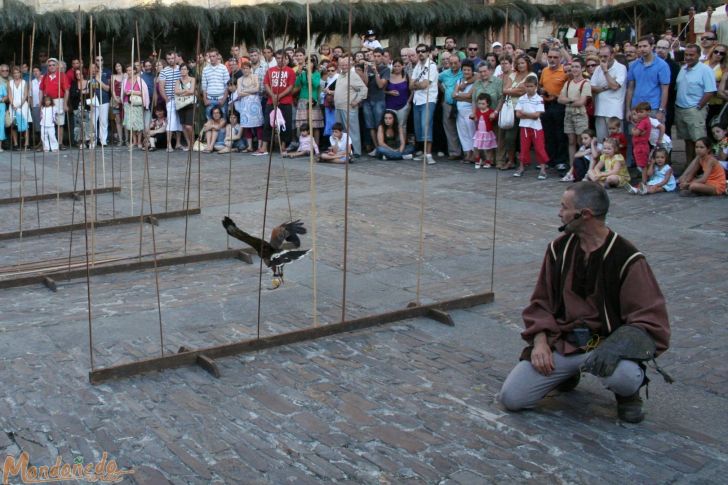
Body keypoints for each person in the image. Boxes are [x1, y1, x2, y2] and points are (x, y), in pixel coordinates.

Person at [499, 181, 670, 423]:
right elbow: (541, 302)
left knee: (624, 376)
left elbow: (650, 319)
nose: (559, 213)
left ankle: (628, 394)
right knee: (512, 398)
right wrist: (540, 343)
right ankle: (566, 375)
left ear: (585, 215)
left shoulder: (627, 258)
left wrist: (616, 347)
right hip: (564, 343)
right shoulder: (558, 248)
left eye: (564, 207)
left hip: (605, 346)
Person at [675, 44, 717, 163]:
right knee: (687, 141)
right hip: (680, 110)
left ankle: (702, 170)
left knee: (700, 143)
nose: (688, 57)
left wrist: (698, 106)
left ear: (698, 55)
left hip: (695, 110)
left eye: (691, 55)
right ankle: (688, 166)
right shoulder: (683, 68)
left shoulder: (705, 70)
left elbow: (710, 91)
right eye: (686, 54)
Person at [558, 58, 592, 177]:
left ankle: (581, 167)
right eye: (573, 67)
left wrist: (567, 101)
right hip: (569, 114)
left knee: (581, 141)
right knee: (571, 141)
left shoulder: (585, 83)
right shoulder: (568, 83)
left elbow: (582, 102)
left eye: (577, 67)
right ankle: (572, 168)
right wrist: (572, 100)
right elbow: (559, 99)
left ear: (582, 68)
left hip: (580, 115)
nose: (574, 69)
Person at [259, 51, 296, 155]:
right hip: (271, 101)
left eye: (283, 58)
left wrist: (279, 96)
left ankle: (283, 145)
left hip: (285, 101)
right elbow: (266, 84)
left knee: (284, 123)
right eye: (278, 58)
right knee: (268, 123)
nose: (281, 60)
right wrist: (273, 95)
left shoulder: (290, 71)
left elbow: (290, 86)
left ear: (286, 59)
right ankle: (265, 146)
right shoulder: (270, 70)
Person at [540, 48, 570, 172]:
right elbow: (541, 85)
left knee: (560, 134)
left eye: (555, 57)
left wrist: (556, 96)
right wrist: (542, 91)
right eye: (550, 57)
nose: (552, 59)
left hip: (559, 105)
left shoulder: (565, 71)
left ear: (560, 58)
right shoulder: (545, 71)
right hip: (546, 105)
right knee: (548, 134)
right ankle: (550, 159)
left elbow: (569, 90)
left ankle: (561, 160)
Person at [514, 77, 549, 179]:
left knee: (539, 148)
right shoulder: (522, 98)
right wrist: (530, 115)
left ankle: (543, 169)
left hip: (536, 127)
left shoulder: (539, 99)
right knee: (523, 148)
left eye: (531, 86)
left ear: (536, 87)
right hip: (524, 127)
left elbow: (536, 116)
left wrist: (524, 113)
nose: (529, 88)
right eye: (527, 86)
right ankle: (521, 167)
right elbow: (517, 115)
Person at [590, 45, 627, 142]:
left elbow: (615, 87)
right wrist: (607, 86)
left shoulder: (621, 68)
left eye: (605, 56)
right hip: (600, 110)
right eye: (600, 56)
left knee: (615, 143)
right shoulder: (598, 69)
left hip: (614, 111)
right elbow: (592, 88)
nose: (602, 59)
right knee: (601, 142)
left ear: (612, 55)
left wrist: (605, 71)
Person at [333, 56, 368, 158]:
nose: (344, 67)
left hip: (348, 107)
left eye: (346, 65)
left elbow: (364, 89)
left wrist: (357, 101)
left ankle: (356, 151)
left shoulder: (353, 75)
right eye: (342, 65)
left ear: (350, 65)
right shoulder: (340, 75)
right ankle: (344, 150)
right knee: (341, 131)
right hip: (339, 107)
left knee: (352, 130)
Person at [410, 44, 439, 164]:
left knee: (426, 125)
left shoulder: (432, 66)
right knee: (418, 128)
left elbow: (425, 84)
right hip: (417, 100)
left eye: (423, 51)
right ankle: (423, 152)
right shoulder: (417, 66)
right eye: (419, 51)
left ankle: (428, 154)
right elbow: (410, 85)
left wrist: (416, 84)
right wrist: (417, 84)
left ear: (428, 53)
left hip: (428, 99)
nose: (420, 53)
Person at [362, 48, 390, 156]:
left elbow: (380, 85)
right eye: (375, 56)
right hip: (367, 100)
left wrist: (375, 71)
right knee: (370, 125)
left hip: (379, 100)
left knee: (379, 124)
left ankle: (382, 147)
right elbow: (365, 83)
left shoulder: (385, 69)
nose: (377, 58)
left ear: (382, 57)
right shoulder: (369, 67)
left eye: (379, 56)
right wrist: (365, 70)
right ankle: (377, 147)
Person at [39, 57, 70, 150]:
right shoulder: (45, 76)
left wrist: (65, 104)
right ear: (47, 67)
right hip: (47, 101)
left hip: (59, 100)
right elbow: (41, 90)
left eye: (53, 65)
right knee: (46, 123)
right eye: (49, 65)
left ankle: (59, 143)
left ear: (57, 66)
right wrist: (40, 103)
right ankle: (46, 144)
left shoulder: (62, 75)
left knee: (60, 123)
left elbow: (67, 91)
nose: (51, 67)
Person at [438, 55, 463, 160]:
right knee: (449, 128)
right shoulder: (444, 74)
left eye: (455, 63)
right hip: (448, 103)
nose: (453, 65)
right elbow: (437, 80)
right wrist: (443, 90)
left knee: (462, 128)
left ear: (460, 62)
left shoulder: (464, 72)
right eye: (451, 63)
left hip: (461, 103)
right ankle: (454, 152)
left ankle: (466, 152)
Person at [452, 60, 477, 163]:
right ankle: (467, 154)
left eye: (468, 70)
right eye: (464, 70)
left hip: (469, 111)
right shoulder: (459, 81)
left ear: (472, 71)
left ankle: (475, 154)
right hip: (460, 111)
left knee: (471, 132)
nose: (466, 72)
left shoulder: (476, 82)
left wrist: (459, 95)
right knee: (463, 133)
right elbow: (453, 95)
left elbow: (470, 96)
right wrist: (461, 96)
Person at [158, 51, 183, 151]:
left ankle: (178, 143)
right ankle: (169, 145)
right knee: (171, 122)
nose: (170, 60)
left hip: (181, 100)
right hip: (170, 99)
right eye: (168, 59)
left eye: (172, 58)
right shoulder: (164, 71)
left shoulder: (181, 69)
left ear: (175, 58)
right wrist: (166, 99)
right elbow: (161, 88)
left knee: (179, 122)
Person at [122, 65, 147, 150]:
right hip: (127, 103)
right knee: (130, 123)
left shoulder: (140, 80)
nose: (129, 72)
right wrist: (125, 92)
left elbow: (143, 92)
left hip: (137, 104)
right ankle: (134, 141)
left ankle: (139, 141)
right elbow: (123, 92)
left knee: (139, 123)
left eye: (130, 70)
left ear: (135, 71)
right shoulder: (125, 81)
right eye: (127, 70)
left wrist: (132, 92)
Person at [384, 58, 411, 139]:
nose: (396, 68)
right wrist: (389, 92)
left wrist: (408, 102)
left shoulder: (406, 76)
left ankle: (402, 145)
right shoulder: (388, 77)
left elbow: (412, 90)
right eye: (395, 66)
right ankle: (391, 144)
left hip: (403, 105)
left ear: (402, 66)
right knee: (390, 125)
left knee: (402, 125)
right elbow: (382, 90)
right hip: (390, 105)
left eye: (399, 66)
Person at [470, 93, 497, 168]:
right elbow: (476, 119)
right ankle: (478, 160)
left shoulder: (490, 111)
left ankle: (488, 161)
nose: (481, 105)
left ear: (487, 103)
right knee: (476, 147)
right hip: (479, 133)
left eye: (483, 104)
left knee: (488, 148)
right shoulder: (478, 111)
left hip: (487, 133)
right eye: (479, 103)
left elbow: (494, 119)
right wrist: (472, 117)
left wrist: (493, 116)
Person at [174, 64, 196, 152]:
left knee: (189, 126)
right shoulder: (178, 81)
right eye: (181, 69)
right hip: (180, 105)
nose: (183, 71)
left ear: (188, 70)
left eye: (185, 69)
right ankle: (189, 144)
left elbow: (192, 91)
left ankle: (193, 142)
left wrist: (181, 92)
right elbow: (175, 91)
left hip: (189, 104)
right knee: (183, 125)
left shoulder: (192, 79)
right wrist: (186, 91)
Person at [8, 66, 31, 149]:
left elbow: (25, 95)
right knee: (14, 125)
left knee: (25, 124)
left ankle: (26, 143)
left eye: (17, 72)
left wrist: (20, 104)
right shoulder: (10, 82)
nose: (16, 74)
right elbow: (9, 94)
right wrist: (12, 104)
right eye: (14, 73)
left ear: (20, 73)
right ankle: (16, 144)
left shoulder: (24, 82)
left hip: (23, 105)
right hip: (13, 105)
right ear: (12, 74)